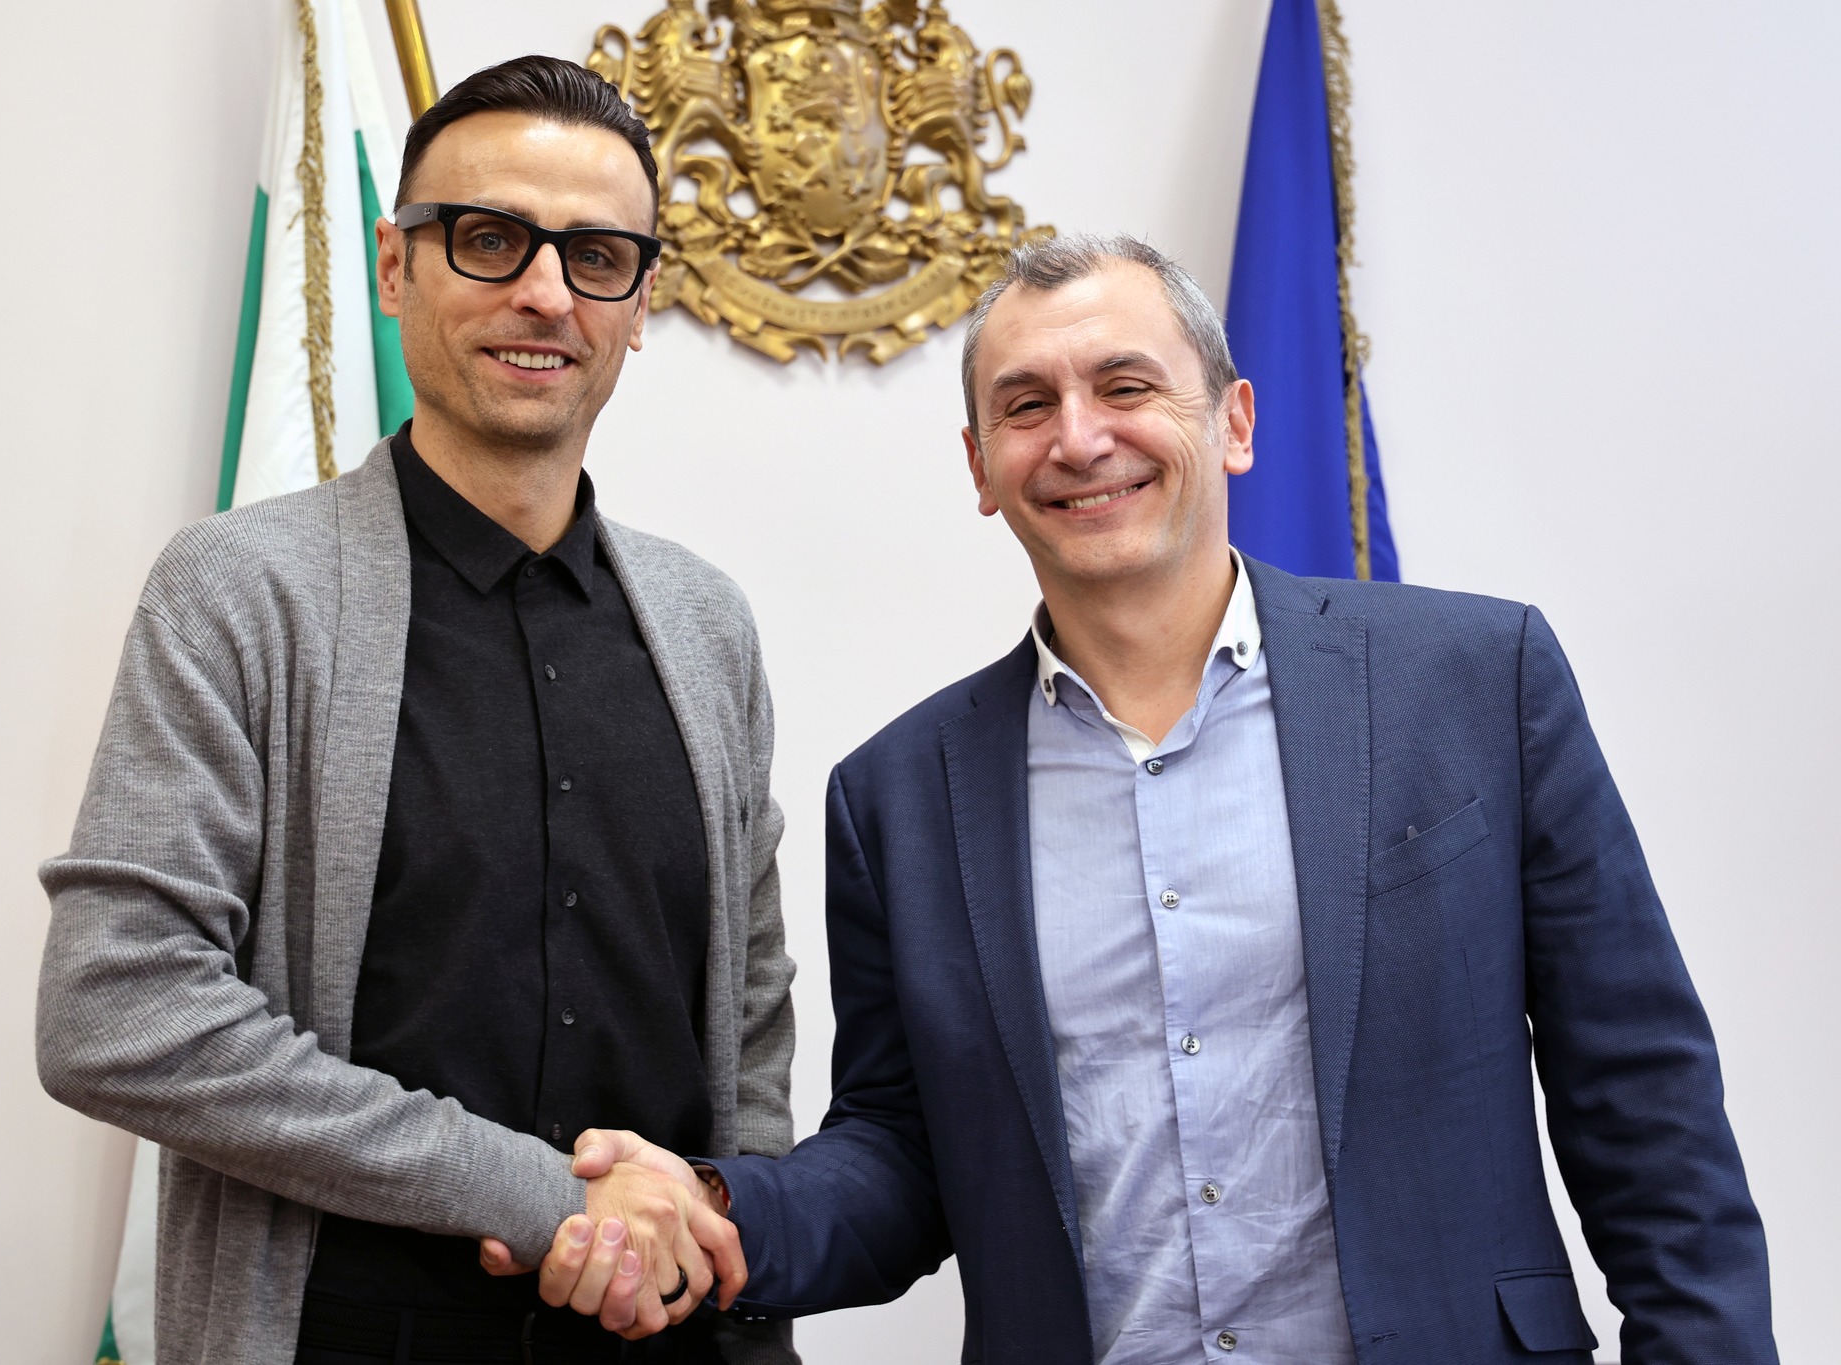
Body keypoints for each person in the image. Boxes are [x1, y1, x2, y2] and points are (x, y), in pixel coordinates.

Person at [539, 236, 1776, 1363]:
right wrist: (713, 1205)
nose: (1078, 439)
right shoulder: (897, 797)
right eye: (1026, 406)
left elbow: (1644, 1106)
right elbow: (905, 1158)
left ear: (1233, 422)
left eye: (1124, 387)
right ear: (980, 468)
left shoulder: (1471, 683)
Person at [36, 56, 797, 1365]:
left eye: (595, 256)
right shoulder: (239, 591)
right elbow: (118, 1010)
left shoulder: (707, 623)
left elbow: (751, 1018)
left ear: (639, 303)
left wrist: (718, 1221)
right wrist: (538, 1194)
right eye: (489, 239)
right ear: (394, 269)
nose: (544, 292)